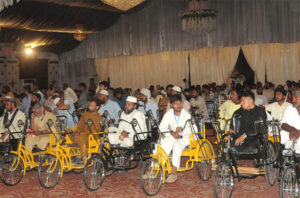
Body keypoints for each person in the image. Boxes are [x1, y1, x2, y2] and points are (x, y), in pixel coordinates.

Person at [157, 94, 197, 183]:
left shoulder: (187, 115)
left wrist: (182, 131)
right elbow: (161, 128)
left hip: (186, 137)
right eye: (175, 104)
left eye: (180, 103)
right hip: (173, 136)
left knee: (176, 145)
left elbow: (194, 130)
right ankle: (156, 167)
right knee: (163, 142)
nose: (178, 106)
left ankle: (174, 173)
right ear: (171, 105)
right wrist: (171, 132)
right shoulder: (168, 114)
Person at [73, 98, 102, 163]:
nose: (89, 107)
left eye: (92, 106)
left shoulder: (99, 117)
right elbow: (80, 125)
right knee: (67, 132)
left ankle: (84, 158)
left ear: (97, 107)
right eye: (89, 105)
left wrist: (81, 133)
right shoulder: (85, 114)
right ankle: (74, 157)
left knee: (82, 136)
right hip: (82, 134)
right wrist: (77, 133)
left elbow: (96, 130)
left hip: (93, 136)